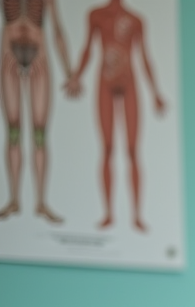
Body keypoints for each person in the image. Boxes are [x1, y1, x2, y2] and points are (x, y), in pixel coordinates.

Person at [66, 0, 167, 232]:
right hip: (105, 82)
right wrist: (77, 76)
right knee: (108, 148)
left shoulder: (136, 20)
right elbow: (87, 48)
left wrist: (155, 93)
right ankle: (109, 213)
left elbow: (145, 57)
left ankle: (137, 215)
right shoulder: (96, 15)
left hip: (130, 82)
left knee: (132, 150)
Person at [0, 0, 72, 223]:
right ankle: (14, 199)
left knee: (39, 133)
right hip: (9, 57)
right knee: (13, 130)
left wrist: (69, 72)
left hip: (38, 57)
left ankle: (40, 202)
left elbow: (57, 30)